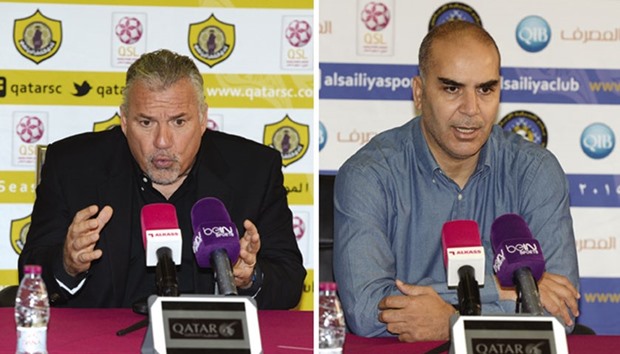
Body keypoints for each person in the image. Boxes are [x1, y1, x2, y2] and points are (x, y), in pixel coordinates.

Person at [333, 21, 580, 342]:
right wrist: (510, 291)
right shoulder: (369, 174)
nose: (471, 110)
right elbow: (366, 311)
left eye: (485, 89)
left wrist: (452, 320)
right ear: (419, 93)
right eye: (452, 89)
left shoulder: (535, 171)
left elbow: (560, 312)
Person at [18, 49, 306, 309]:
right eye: (146, 122)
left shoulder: (253, 170)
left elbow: (290, 281)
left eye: (179, 122)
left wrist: (249, 277)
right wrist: (66, 264)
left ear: (203, 119)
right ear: (124, 121)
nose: (163, 141)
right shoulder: (71, 166)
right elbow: (30, 270)